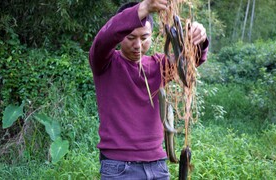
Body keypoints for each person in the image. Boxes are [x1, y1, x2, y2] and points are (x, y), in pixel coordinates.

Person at [89, 0, 208, 179]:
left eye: (144, 38)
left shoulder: (158, 65)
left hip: (158, 166)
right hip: (119, 167)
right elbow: (104, 38)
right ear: (120, 36)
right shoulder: (104, 62)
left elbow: (189, 63)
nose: (138, 45)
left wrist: (200, 39)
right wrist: (143, 8)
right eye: (130, 37)